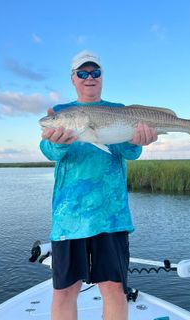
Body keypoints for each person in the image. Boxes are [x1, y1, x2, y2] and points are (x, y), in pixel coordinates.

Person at [40, 50, 158, 320]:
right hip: (69, 218)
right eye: (82, 73)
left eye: (95, 72)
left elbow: (130, 153)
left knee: (114, 288)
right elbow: (49, 151)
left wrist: (138, 141)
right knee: (64, 291)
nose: (89, 77)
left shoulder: (119, 110)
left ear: (102, 76)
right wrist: (56, 142)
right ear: (73, 78)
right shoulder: (60, 113)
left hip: (111, 215)